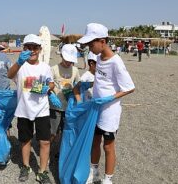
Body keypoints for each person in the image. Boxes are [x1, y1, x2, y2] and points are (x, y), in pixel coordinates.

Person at [77, 23, 135, 184]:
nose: (89, 47)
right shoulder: (97, 58)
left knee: (108, 146)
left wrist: (110, 98)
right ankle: (93, 171)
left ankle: (108, 179)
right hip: (96, 108)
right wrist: (89, 85)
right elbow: (101, 79)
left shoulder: (116, 62)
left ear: (102, 41)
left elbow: (130, 87)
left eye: (91, 43)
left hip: (110, 111)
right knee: (94, 141)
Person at [7, 34, 60, 183]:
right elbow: (9, 75)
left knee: (44, 142)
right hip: (24, 109)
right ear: (24, 49)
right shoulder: (20, 65)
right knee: (25, 140)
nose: (32, 51)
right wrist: (18, 62)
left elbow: (51, 83)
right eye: (28, 47)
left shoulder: (45, 67)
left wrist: (47, 89)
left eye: (35, 47)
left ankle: (42, 172)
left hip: (42, 109)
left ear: (40, 49)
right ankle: (25, 166)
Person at [50, 44, 80, 156]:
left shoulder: (75, 70)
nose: (69, 63)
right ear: (62, 55)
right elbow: (48, 85)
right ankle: (46, 152)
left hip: (69, 107)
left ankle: (60, 152)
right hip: (55, 106)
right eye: (67, 59)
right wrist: (50, 95)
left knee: (65, 131)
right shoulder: (53, 69)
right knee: (53, 132)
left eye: (71, 61)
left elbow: (78, 85)